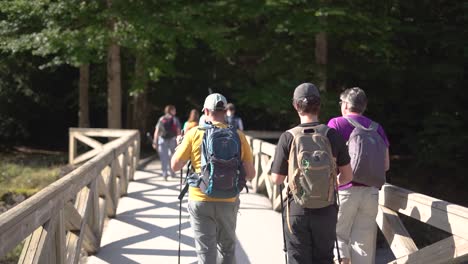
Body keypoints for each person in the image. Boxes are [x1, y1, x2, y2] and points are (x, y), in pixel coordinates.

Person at [271, 83, 353, 264]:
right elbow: (348, 176)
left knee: (298, 259)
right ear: (319, 105)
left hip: (297, 209)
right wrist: (328, 184)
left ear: (295, 105)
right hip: (326, 208)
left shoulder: (288, 137)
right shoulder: (332, 135)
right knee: (324, 259)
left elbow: (277, 178)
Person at [171, 93, 255, 264]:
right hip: (229, 199)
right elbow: (251, 174)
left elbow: (175, 166)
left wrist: (179, 147)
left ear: (206, 111)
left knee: (205, 253)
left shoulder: (194, 133)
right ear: (225, 111)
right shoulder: (238, 135)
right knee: (227, 249)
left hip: (200, 198)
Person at [327, 87, 390, 264]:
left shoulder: (336, 124)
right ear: (364, 106)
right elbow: (385, 165)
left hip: (344, 189)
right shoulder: (377, 128)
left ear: (345, 104)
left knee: (337, 236)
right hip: (371, 193)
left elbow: (329, 161)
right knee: (364, 245)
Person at [152, 105, 181, 180]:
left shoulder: (161, 119)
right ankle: (172, 172)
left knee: (163, 157)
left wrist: (155, 141)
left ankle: (164, 174)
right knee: (173, 156)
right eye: (174, 110)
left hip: (162, 139)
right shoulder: (175, 119)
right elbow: (178, 131)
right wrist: (179, 141)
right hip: (172, 139)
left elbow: (157, 131)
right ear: (171, 110)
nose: (175, 112)